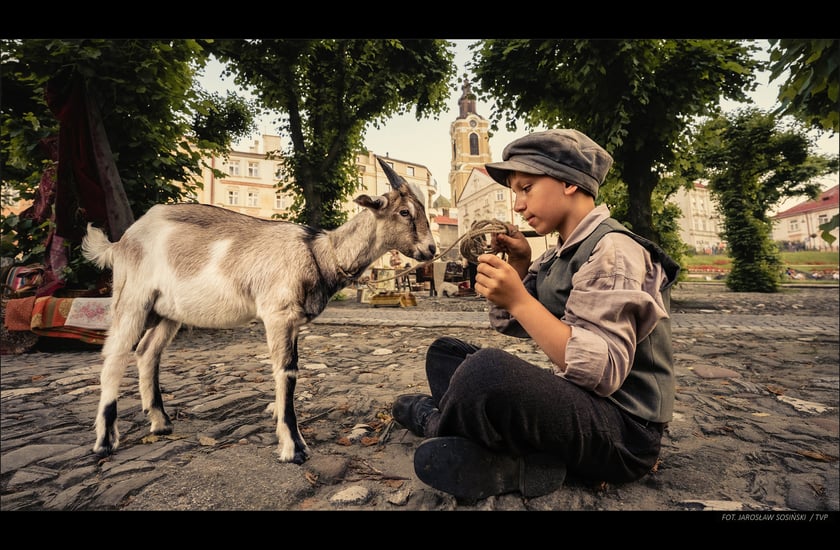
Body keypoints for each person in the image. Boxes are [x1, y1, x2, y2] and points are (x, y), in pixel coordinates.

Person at [391, 129, 680, 500]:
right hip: (583, 410)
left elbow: (603, 372)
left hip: (624, 436)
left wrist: (520, 301)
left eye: (526, 188)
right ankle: (512, 455)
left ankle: (438, 422)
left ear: (569, 183)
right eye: (515, 192)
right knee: (447, 353)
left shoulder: (613, 250)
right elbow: (510, 325)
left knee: (484, 372)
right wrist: (522, 266)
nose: (517, 205)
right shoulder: (560, 252)